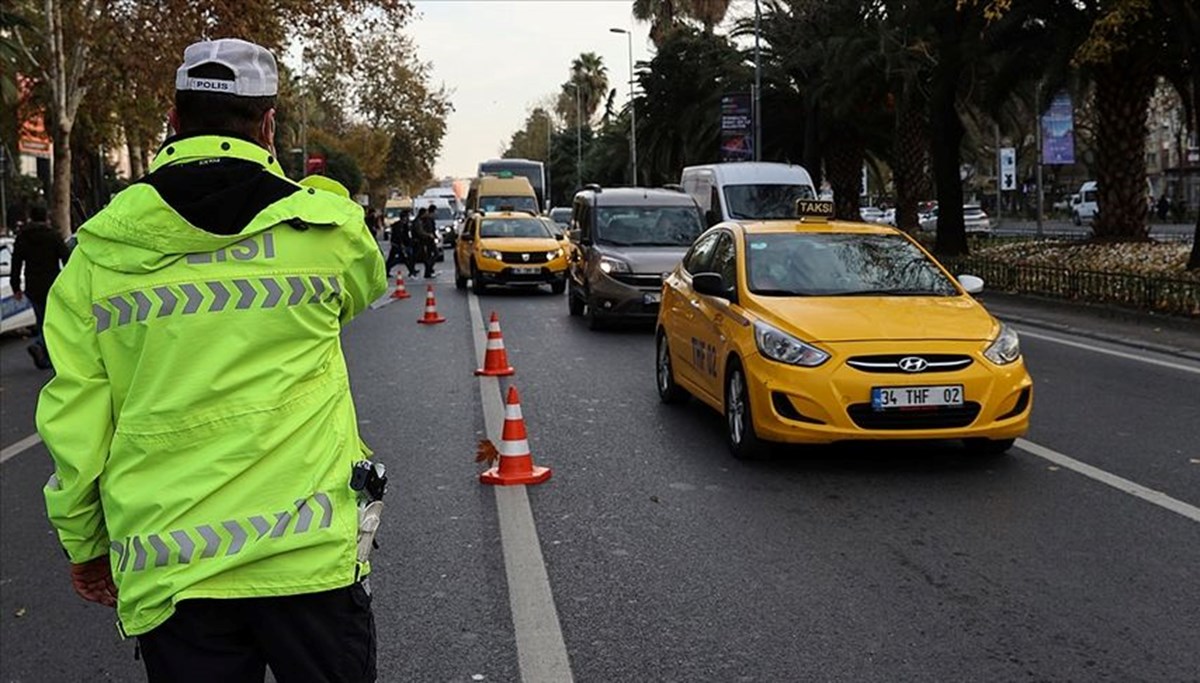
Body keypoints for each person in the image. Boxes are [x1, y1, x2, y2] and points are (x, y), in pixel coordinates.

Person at [36, 38, 385, 683]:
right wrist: (316, 192)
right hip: (306, 559)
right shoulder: (324, 232)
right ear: (269, 122)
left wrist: (85, 544)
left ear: (173, 118)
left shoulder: (99, 252)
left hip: (174, 566)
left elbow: (76, 422)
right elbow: (366, 284)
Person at [9, 203, 71, 369]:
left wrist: (15, 287)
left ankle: (44, 350)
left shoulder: (22, 237)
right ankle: (40, 345)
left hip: (32, 285)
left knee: (41, 318)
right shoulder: (52, 236)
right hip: (52, 283)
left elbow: (16, 263)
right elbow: (67, 257)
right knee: (52, 320)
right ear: (46, 218)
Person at [385, 208, 417, 278]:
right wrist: (402, 244)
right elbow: (399, 235)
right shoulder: (399, 225)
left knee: (402, 258)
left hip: (399, 244)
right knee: (399, 259)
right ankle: (411, 271)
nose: (408, 218)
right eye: (407, 216)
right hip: (397, 244)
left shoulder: (404, 225)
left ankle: (412, 271)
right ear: (404, 217)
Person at [413, 205, 438, 278]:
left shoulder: (426, 219)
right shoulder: (422, 220)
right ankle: (428, 270)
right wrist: (429, 235)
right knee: (425, 257)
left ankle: (429, 270)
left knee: (427, 257)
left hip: (428, 240)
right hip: (424, 241)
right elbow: (421, 231)